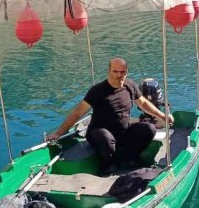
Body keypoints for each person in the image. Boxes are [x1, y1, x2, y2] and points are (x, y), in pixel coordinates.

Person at [46, 57, 174, 174]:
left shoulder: (130, 85)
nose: (119, 75)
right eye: (115, 71)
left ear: (127, 72)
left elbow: (144, 103)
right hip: (98, 133)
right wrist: (59, 133)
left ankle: (129, 157)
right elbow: (77, 113)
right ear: (109, 71)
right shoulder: (97, 90)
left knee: (148, 129)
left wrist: (163, 116)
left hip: (122, 132)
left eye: (122, 72)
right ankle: (109, 164)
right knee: (105, 137)